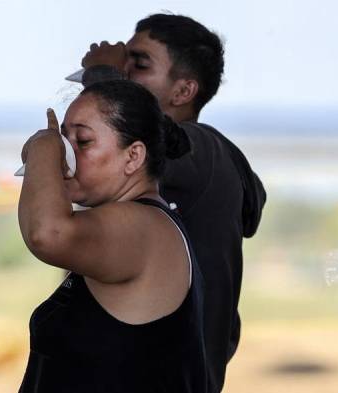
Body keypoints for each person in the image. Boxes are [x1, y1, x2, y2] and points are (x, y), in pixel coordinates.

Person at [80, 13, 267, 392]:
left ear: (183, 92)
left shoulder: (200, 149)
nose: (125, 72)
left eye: (139, 64)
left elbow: (153, 141)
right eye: (123, 63)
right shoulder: (213, 157)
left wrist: (104, 79)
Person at [18, 80, 207, 392]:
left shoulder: (143, 225)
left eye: (83, 141)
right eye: (65, 142)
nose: (65, 158)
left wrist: (42, 148)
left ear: (133, 157)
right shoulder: (131, 223)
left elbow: (47, 233)